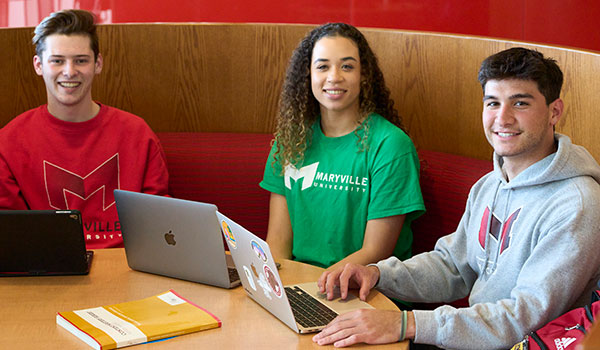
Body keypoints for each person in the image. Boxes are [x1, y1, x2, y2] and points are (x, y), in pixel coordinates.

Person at [313, 47, 600, 349]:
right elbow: (453, 266)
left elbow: (524, 318)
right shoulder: (490, 184)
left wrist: (406, 324)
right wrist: (377, 274)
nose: (503, 118)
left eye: (520, 103)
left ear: (555, 111)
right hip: (471, 338)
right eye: (493, 103)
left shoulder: (577, 204)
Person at [259, 23, 425, 275]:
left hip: (367, 291)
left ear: (364, 74)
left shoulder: (391, 145)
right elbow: (278, 244)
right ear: (308, 74)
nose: (334, 77)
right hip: (300, 289)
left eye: (347, 66)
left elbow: (375, 252)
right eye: (322, 66)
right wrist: (275, 289)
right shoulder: (290, 141)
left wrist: (313, 289)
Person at [0, 9, 169, 249]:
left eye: (81, 60)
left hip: (128, 268)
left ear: (97, 64)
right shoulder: (8, 142)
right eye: (57, 60)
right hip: (49, 274)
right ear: (38, 65)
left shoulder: (137, 134)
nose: (69, 71)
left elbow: (162, 222)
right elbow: (11, 236)